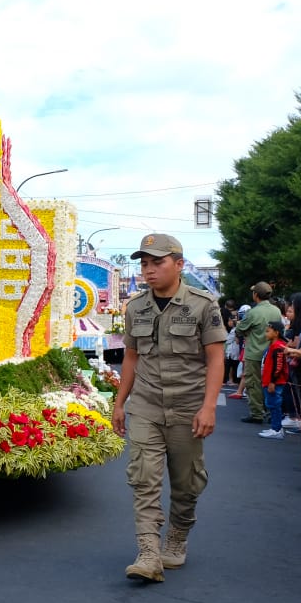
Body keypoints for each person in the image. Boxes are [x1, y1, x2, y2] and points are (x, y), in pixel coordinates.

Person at [112, 234, 225, 583]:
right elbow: (130, 357)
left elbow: (216, 357)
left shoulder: (203, 305)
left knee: (187, 482)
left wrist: (209, 407)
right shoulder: (135, 308)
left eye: (157, 262)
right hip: (146, 404)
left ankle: (177, 535)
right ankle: (148, 552)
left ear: (178, 264)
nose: (148, 270)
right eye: (144, 263)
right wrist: (120, 403)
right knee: (144, 478)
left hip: (188, 406)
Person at [235, 282, 283, 424]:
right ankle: (270, 411)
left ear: (255, 295)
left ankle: (256, 413)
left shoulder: (253, 312)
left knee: (253, 384)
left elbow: (239, 330)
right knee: (269, 383)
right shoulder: (276, 311)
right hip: (271, 353)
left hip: (254, 353)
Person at [257, 320, 290, 439]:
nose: (266, 334)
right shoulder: (274, 345)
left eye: (268, 331)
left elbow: (278, 366)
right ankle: (274, 427)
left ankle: (277, 429)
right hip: (269, 380)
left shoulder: (278, 346)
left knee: (274, 404)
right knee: (271, 404)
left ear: (276, 333)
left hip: (274, 382)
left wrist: (272, 382)